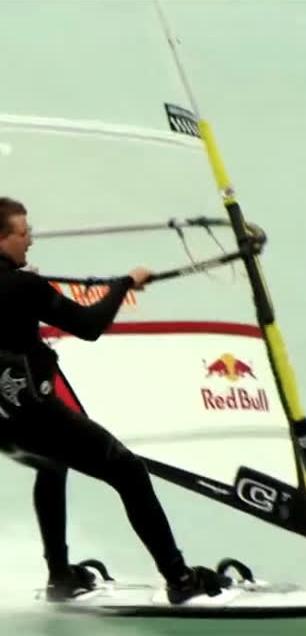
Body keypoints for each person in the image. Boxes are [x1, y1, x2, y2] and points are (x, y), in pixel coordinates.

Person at [0, 197, 231, 604]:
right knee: (129, 471)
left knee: (51, 465)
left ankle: (60, 577)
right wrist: (124, 284)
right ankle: (180, 579)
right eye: (23, 233)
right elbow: (88, 325)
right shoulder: (23, 286)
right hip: (35, 416)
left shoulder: (20, 284)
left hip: (4, 423)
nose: (31, 240)